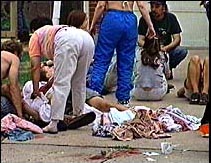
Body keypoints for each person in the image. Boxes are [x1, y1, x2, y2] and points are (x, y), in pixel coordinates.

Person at [28, 23, 95, 133]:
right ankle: (78, 113)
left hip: (67, 39)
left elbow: (35, 66)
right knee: (79, 81)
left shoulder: (34, 37)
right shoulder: (48, 31)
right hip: (86, 38)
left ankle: (54, 123)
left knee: (61, 84)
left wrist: (36, 90)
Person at [88, 1, 156, 107]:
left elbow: (101, 5)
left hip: (111, 18)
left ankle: (93, 95)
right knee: (126, 62)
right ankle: (123, 100)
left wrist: (92, 25)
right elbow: (142, 6)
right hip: (129, 20)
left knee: (102, 60)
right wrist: (150, 26)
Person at [138, 1, 188, 80]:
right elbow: (140, 40)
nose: (153, 9)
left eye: (157, 6)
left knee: (182, 51)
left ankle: (166, 69)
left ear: (164, 8)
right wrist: (151, 48)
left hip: (165, 50)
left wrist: (165, 48)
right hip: (150, 51)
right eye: (152, 6)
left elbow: (177, 39)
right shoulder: (145, 18)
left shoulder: (171, 18)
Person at [1, 40, 24, 118]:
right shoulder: (13, 58)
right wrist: (20, 115)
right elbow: (13, 87)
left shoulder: (3, 57)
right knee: (8, 108)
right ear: (16, 52)